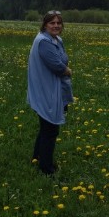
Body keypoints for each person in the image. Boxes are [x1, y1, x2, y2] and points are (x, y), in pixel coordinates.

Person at [27, 10, 73, 176]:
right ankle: (46, 168)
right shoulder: (44, 42)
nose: (56, 26)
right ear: (45, 25)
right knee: (50, 129)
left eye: (58, 23)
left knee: (46, 127)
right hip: (47, 90)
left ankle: (37, 158)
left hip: (52, 88)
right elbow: (57, 66)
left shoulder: (56, 39)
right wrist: (67, 70)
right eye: (52, 23)